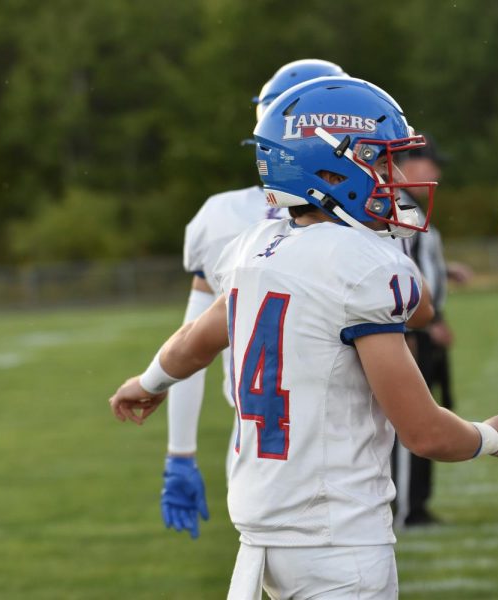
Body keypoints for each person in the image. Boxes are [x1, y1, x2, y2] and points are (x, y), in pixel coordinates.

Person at [109, 75, 498, 599]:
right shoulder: (361, 265)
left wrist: (149, 381)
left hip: (261, 540)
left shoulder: (255, 247)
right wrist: (496, 437)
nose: (395, 176)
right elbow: (425, 431)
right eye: (382, 159)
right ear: (335, 165)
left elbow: (192, 345)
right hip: (337, 543)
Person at [161, 59, 347, 540]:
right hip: (346, 448)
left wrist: (180, 452)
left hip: (256, 453)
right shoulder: (370, 217)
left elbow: (191, 341)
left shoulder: (224, 216)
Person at [390, 133, 456, 527]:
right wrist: (428, 325)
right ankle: (405, 508)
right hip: (413, 331)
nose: (436, 172)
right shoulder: (395, 209)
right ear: (407, 164)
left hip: (422, 327)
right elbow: (402, 275)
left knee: (427, 413)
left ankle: (416, 504)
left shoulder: (409, 207)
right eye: (429, 162)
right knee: (411, 420)